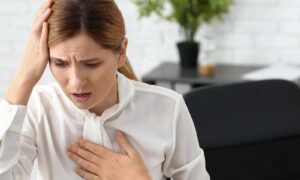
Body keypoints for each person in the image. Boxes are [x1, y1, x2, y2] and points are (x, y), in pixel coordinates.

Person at [0, 0, 210, 179]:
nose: (75, 83)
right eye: (60, 63)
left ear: (121, 52)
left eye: (91, 64)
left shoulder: (167, 108)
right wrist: (24, 77)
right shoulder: (38, 108)